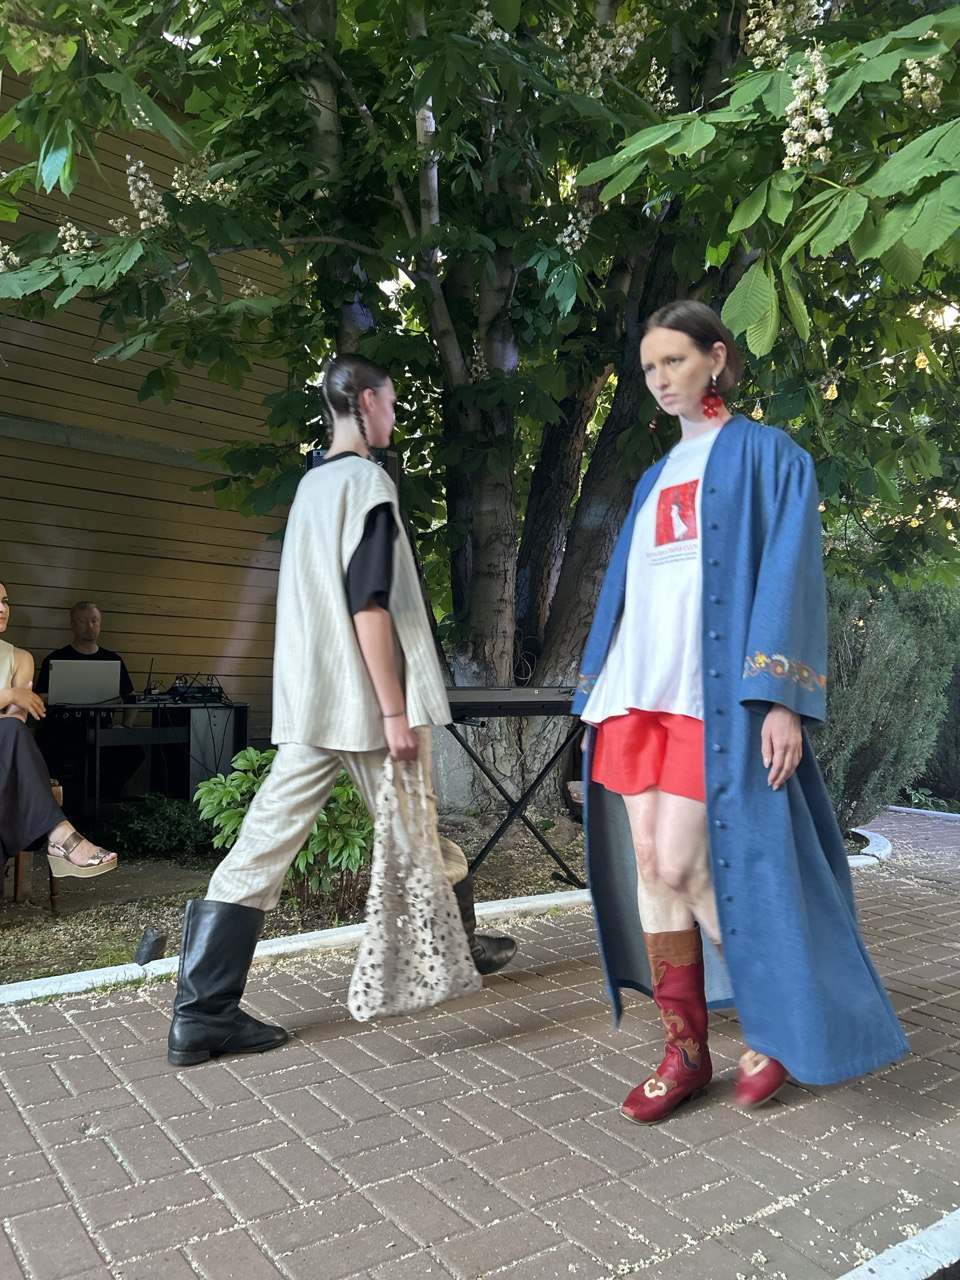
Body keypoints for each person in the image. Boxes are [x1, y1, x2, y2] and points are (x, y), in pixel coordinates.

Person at [574, 300, 908, 1124]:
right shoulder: (654, 476)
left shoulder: (771, 456)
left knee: (686, 864)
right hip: (637, 692)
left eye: (675, 362)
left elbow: (791, 578)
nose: (660, 380)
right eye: (649, 368)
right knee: (651, 865)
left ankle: (777, 1020)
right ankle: (685, 1052)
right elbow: (633, 591)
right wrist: (596, 687)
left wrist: (780, 700)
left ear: (717, 358)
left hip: (712, 698)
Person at [166, 354, 517, 1067]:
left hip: (312, 699)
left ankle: (201, 1013)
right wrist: (392, 710)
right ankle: (458, 944)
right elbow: (369, 603)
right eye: (390, 401)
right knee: (416, 826)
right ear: (364, 401)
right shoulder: (367, 483)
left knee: (265, 845)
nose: (394, 415)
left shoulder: (312, 487)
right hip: (364, 703)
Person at [0, 582, 118, 880]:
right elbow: (13, 707)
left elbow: (15, 721)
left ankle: (59, 835)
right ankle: (61, 837)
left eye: (5, 601)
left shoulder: (20, 658)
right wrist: (9, 694)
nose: (2, 609)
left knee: (12, 729)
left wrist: (13, 704)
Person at [35, 600, 142, 800]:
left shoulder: (112, 660)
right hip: (62, 730)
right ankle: (59, 806)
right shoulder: (56, 659)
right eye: (83, 621)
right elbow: (38, 699)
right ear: (72, 625)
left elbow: (131, 697)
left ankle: (101, 797)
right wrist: (50, 698)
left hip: (103, 729)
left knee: (134, 753)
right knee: (49, 755)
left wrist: (126, 727)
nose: (90, 626)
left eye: (94, 621)